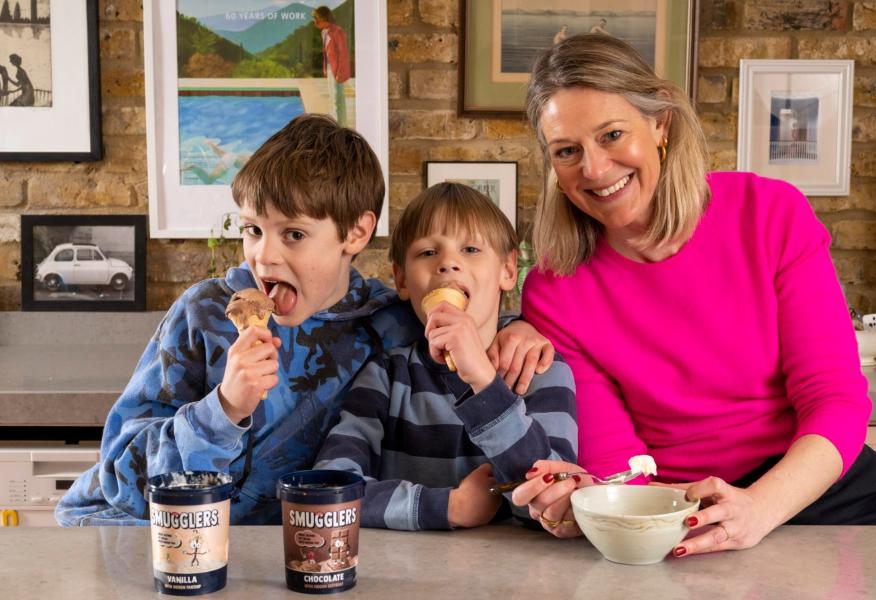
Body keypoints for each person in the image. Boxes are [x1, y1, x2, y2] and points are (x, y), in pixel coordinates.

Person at [510, 34, 876, 553]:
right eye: (567, 151)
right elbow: (620, 463)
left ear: (660, 124)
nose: (593, 169)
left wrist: (760, 508)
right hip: (675, 507)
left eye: (612, 134)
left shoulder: (770, 214)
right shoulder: (555, 287)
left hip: (812, 484)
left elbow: (835, 400)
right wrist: (592, 506)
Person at [55, 114, 553, 526]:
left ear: (356, 232)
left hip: (287, 553)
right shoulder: (204, 315)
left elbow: (457, 311)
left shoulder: (386, 322)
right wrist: (224, 408)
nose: (263, 257)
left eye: (292, 234)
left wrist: (517, 327)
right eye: (253, 229)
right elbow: (121, 477)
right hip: (135, 534)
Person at [313, 183, 577, 531]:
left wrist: (484, 383)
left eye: (470, 249)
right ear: (402, 279)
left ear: (508, 270)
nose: (448, 263)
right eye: (426, 253)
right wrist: (446, 507)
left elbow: (555, 500)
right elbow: (329, 491)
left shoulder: (541, 368)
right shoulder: (386, 375)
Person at [312, 7, 350, 125]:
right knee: (333, 97)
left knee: (337, 99)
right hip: (330, 68)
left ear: (323, 19)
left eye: (316, 19)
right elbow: (326, 54)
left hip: (338, 69)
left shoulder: (337, 32)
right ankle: (340, 125)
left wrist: (339, 72)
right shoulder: (324, 32)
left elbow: (343, 54)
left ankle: (339, 126)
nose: (314, 22)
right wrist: (325, 68)